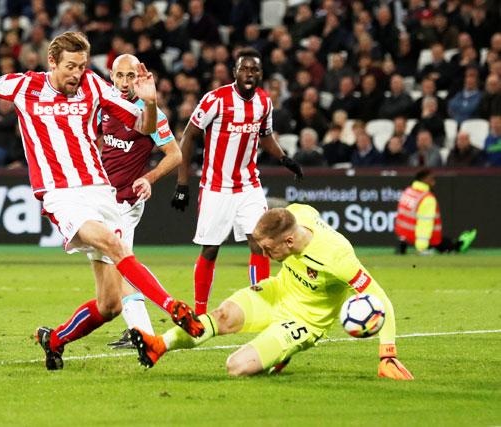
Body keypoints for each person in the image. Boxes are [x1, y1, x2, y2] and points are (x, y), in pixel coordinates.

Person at [0, 31, 204, 371]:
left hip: (100, 191)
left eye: (81, 66)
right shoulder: (24, 86)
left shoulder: (93, 86)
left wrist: (150, 102)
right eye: (69, 67)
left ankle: (55, 339)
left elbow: (143, 126)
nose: (76, 74)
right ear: (52, 62)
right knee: (112, 244)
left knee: (110, 304)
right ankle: (173, 307)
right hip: (62, 195)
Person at [128, 203, 414, 380]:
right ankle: (159, 346)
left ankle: (280, 353)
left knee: (236, 367)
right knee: (222, 315)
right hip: (276, 291)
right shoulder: (298, 213)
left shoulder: (337, 257)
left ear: (289, 241)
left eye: (267, 248)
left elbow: (381, 299)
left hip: (305, 321)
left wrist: (386, 354)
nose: (262, 253)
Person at [171, 47, 303, 315]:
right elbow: (189, 136)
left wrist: (283, 158)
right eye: (245, 69)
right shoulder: (215, 100)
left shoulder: (264, 102)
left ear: (261, 74)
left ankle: (262, 305)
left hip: (248, 185)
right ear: (235, 72)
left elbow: (264, 136)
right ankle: (199, 312)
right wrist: (182, 183)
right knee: (210, 249)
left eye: (254, 69)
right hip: (216, 186)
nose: (249, 74)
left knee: (261, 241)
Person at [98, 54, 183, 349]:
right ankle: (136, 328)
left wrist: (149, 178)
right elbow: (102, 141)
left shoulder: (151, 115)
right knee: (117, 266)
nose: (124, 82)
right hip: (104, 198)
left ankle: (145, 332)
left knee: (120, 265)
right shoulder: (107, 105)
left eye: (130, 76)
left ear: (140, 78)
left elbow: (175, 155)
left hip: (126, 201)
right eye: (119, 76)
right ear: (111, 76)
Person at [395, 169, 477, 255]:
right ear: (424, 179)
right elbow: (425, 224)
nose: (434, 182)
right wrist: (422, 248)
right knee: (449, 245)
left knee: (444, 241)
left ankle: (457, 244)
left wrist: (402, 237)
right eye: (431, 179)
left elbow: (401, 217)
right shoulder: (427, 198)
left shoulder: (408, 191)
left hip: (404, 235)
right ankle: (459, 245)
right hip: (422, 238)